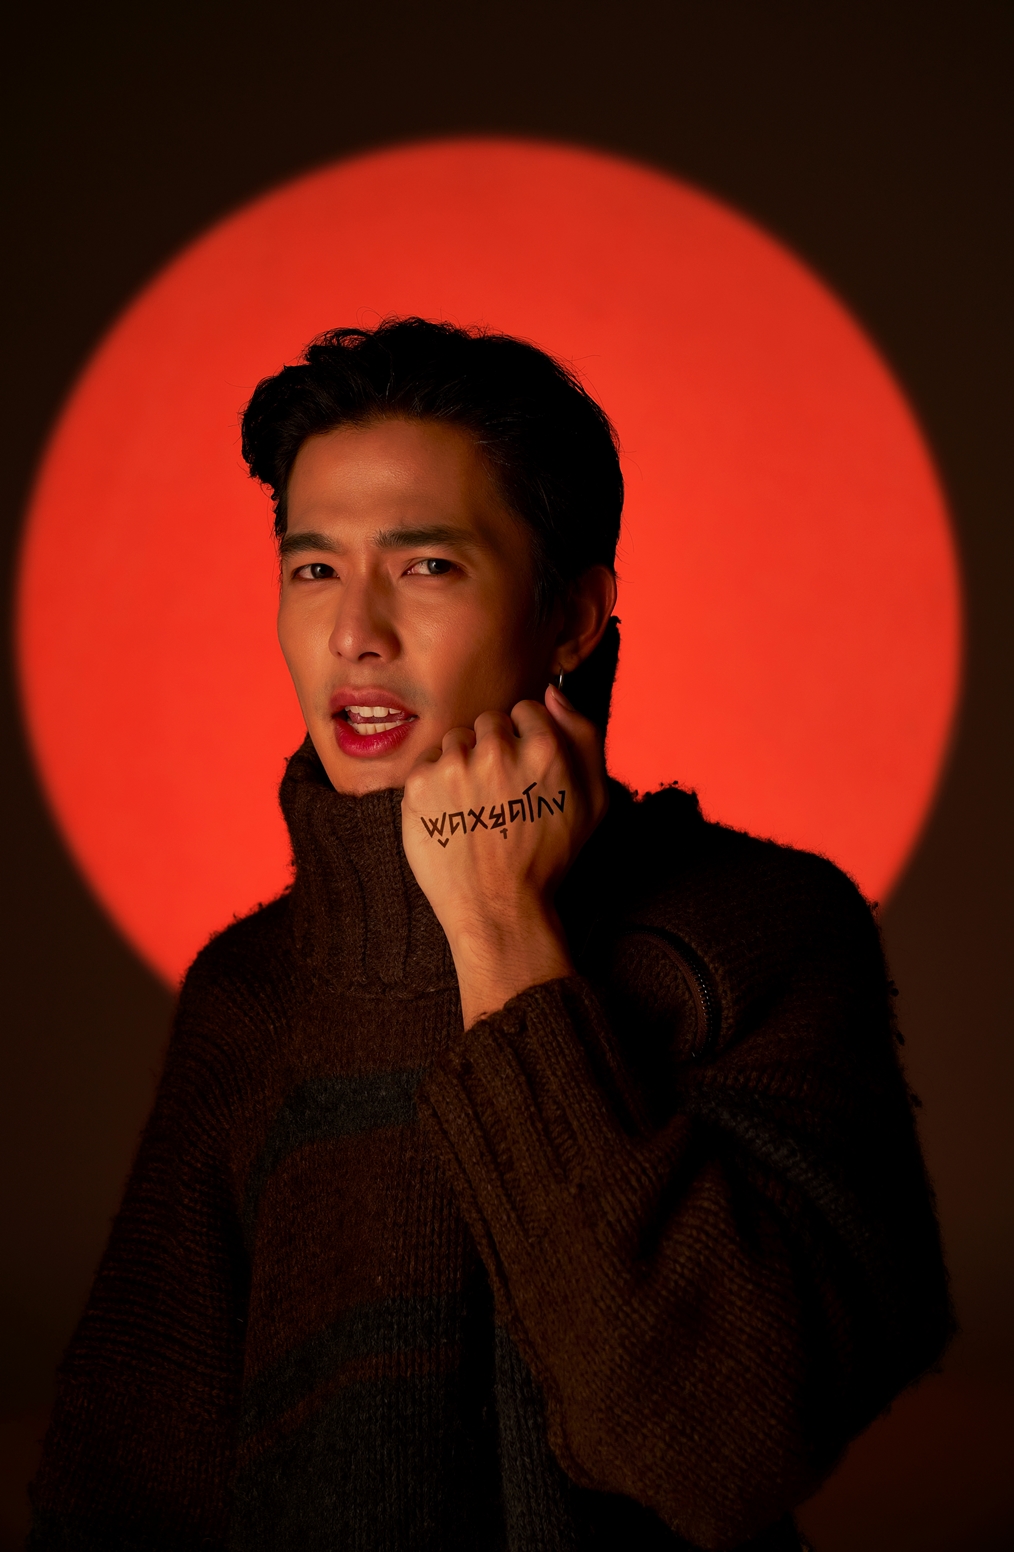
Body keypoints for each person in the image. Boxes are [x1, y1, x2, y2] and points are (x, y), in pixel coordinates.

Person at [28, 318, 952, 1551]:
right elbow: (118, 1494)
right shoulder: (248, 993)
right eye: (314, 570)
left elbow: (719, 1454)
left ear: (573, 616)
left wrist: (502, 927)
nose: (354, 633)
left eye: (426, 566)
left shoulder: (754, 935)